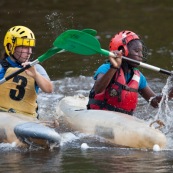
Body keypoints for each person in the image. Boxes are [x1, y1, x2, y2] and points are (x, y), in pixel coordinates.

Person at [87, 30, 173, 115]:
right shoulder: (106, 68)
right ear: (122, 51)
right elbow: (98, 89)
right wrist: (114, 67)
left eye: (141, 51)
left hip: (124, 120)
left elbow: (155, 102)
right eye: (137, 51)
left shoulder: (139, 77)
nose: (141, 55)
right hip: (99, 114)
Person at [0, 25, 53, 118]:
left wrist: (36, 75)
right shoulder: (0, 67)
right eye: (24, 47)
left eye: (30, 47)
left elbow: (49, 89)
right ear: (10, 46)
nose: (29, 52)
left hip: (27, 118)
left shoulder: (36, 68)